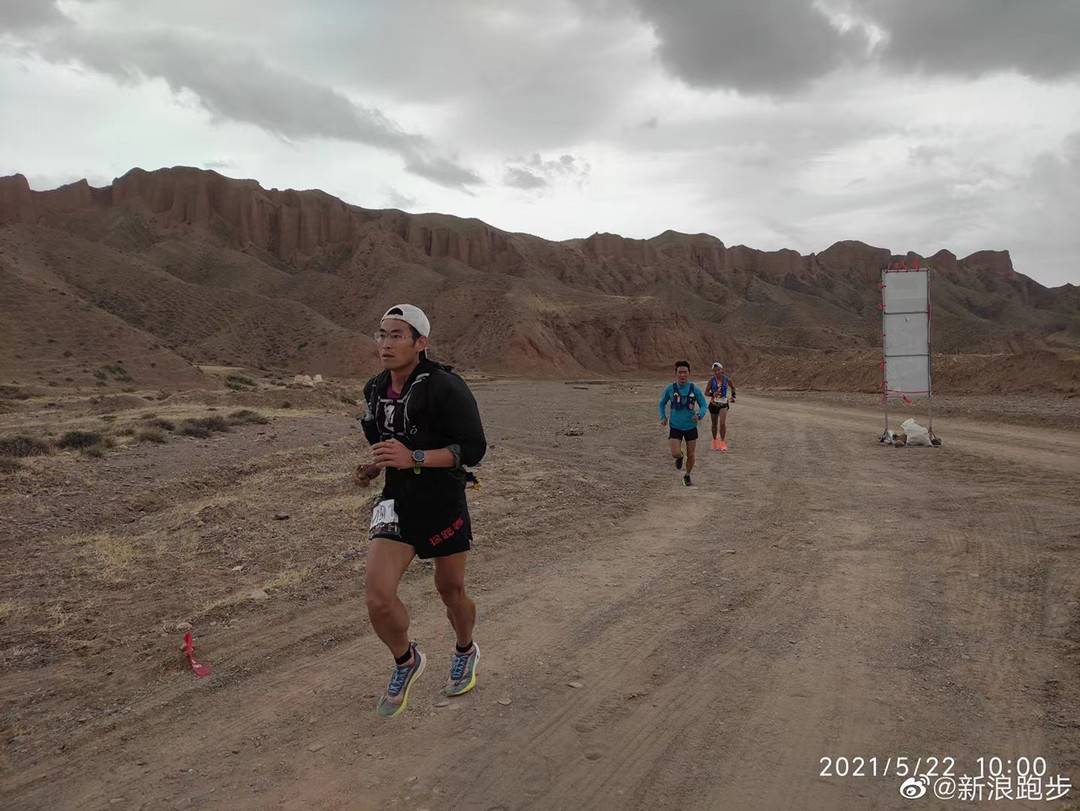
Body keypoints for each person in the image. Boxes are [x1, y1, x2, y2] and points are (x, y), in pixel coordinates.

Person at [354, 304, 487, 718]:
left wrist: (414, 456)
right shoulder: (374, 389)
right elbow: (387, 441)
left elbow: (474, 450)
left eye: (397, 335)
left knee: (450, 590)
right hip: (395, 501)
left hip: (442, 500)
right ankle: (406, 660)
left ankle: (465, 649)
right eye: (381, 334)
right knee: (378, 598)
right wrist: (376, 465)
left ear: (420, 343)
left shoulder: (447, 386)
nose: (386, 343)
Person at [658, 360, 707, 486]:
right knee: (675, 453)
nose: (682, 375)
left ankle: (687, 475)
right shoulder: (670, 388)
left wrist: (699, 415)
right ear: (676, 374)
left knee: (691, 455)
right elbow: (661, 403)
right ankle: (680, 457)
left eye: (685, 372)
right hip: (675, 426)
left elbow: (703, 405)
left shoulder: (694, 389)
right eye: (680, 372)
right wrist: (663, 417)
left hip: (691, 427)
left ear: (689, 373)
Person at [704, 361, 736, 451]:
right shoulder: (711, 380)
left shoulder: (727, 380)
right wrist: (713, 394)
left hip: (723, 404)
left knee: (722, 423)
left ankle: (722, 442)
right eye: (715, 371)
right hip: (713, 404)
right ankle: (714, 441)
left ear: (722, 370)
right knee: (714, 424)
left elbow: (733, 387)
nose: (717, 372)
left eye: (718, 370)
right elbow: (706, 392)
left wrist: (733, 397)